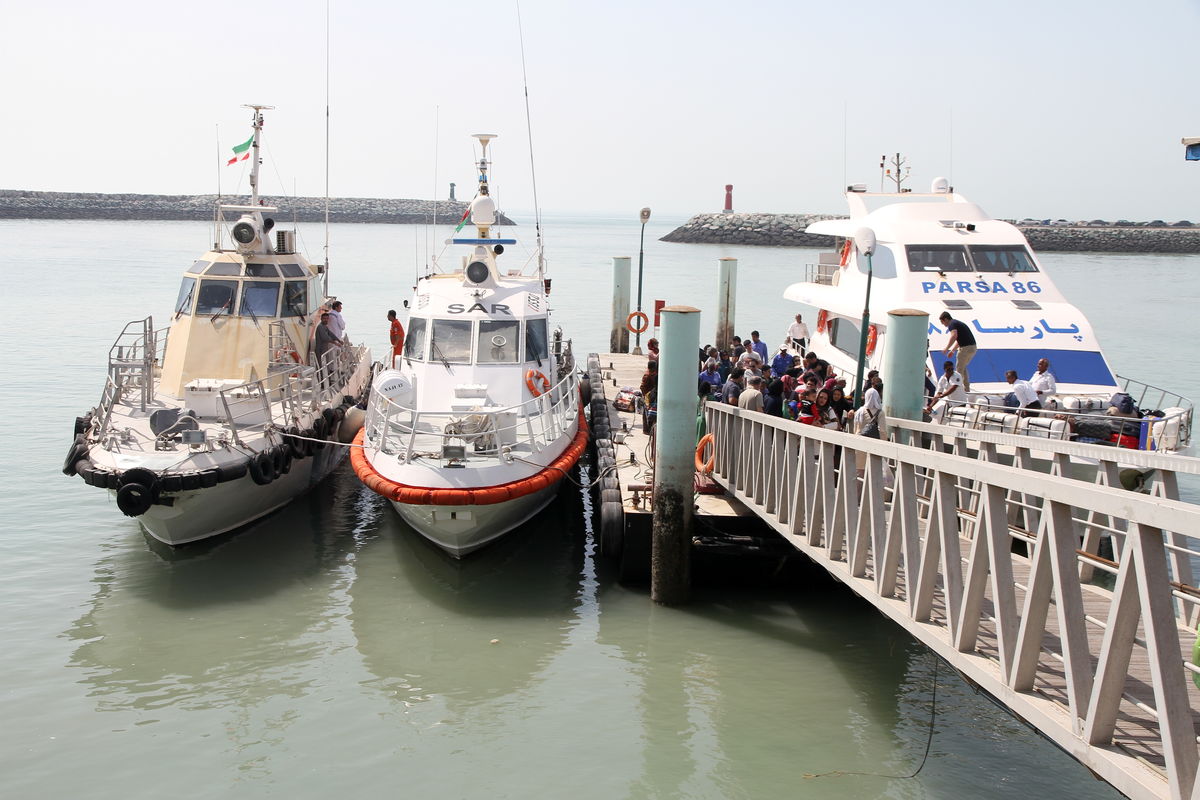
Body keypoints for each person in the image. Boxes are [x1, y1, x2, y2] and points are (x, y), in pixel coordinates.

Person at [939, 311, 977, 391]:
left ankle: (956, 389)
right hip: (972, 347)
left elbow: (954, 336)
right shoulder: (957, 323)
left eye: (942, 322)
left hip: (966, 348)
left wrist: (946, 348)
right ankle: (967, 389)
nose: (944, 325)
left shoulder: (952, 324)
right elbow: (959, 340)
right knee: (963, 367)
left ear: (946, 319)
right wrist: (952, 350)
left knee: (959, 370)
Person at [314, 312, 343, 381]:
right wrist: (336, 343)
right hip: (320, 349)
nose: (326, 320)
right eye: (324, 319)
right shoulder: (320, 327)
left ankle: (326, 380)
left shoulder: (325, 327)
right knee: (321, 366)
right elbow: (325, 338)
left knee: (325, 365)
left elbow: (331, 334)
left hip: (324, 349)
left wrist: (338, 340)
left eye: (327, 319)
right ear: (321, 319)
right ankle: (321, 381)